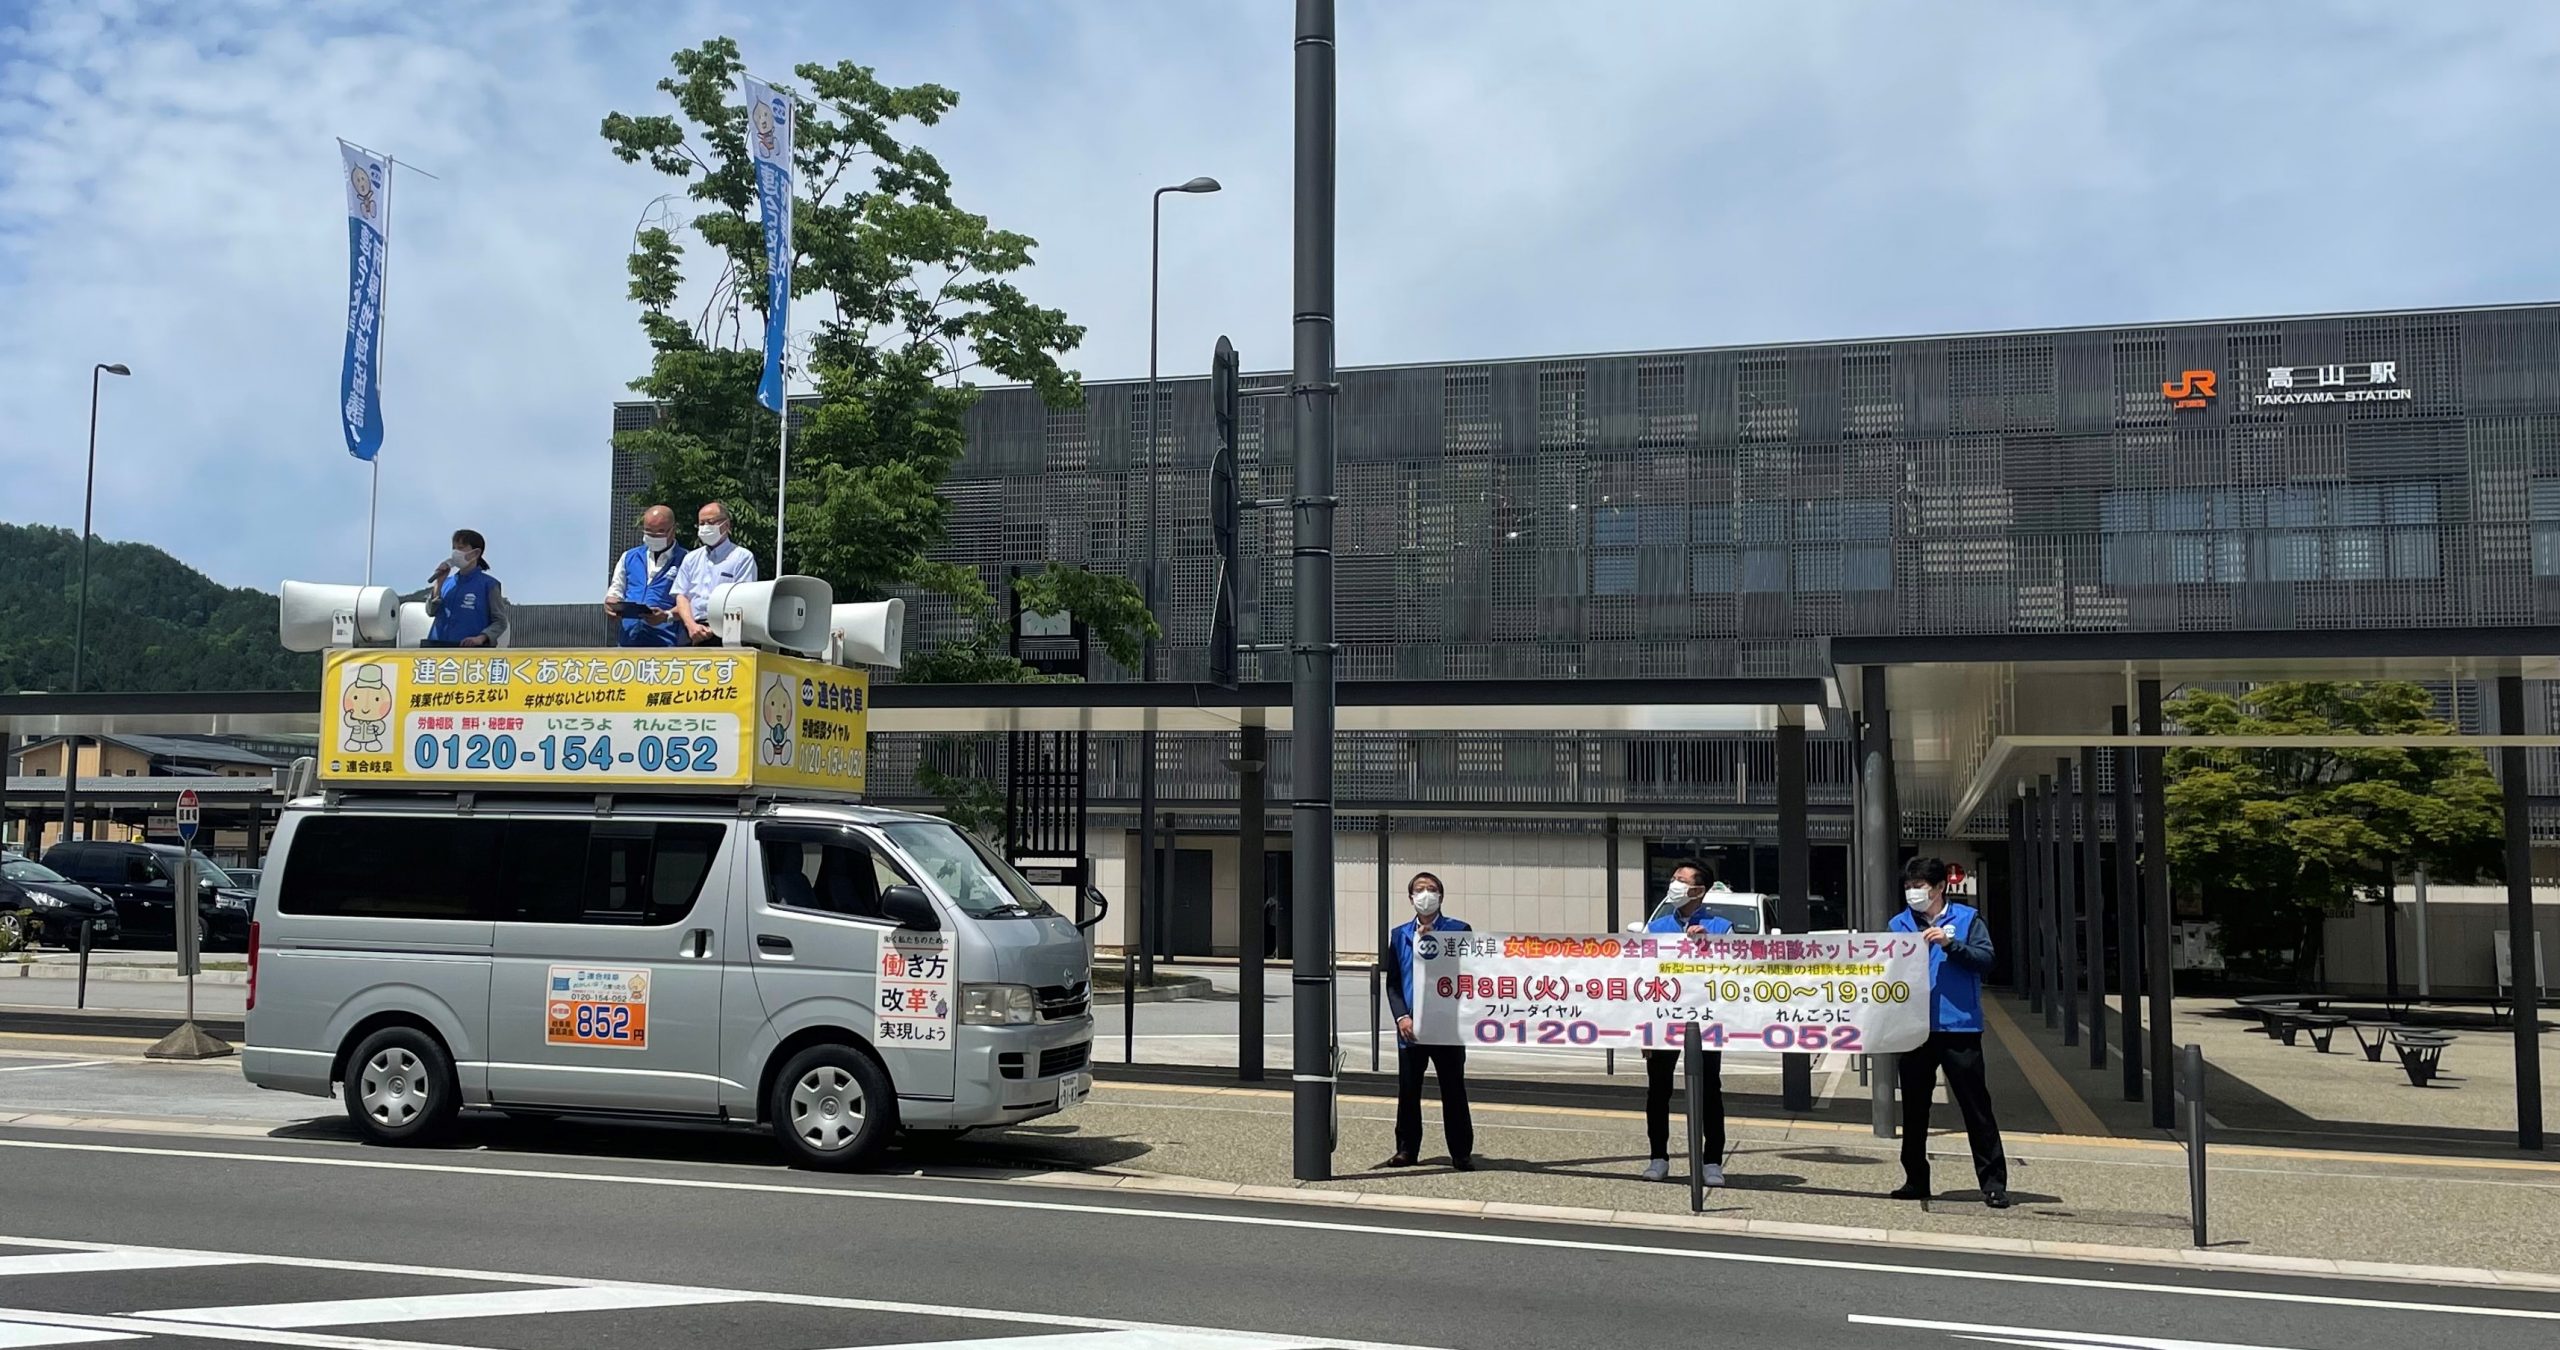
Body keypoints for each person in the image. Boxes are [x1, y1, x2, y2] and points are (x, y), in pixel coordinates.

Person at [1888, 855, 2011, 1208]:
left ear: (1941, 887)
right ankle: (1915, 1179)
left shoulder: (1967, 919)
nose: (1913, 893)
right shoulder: (1898, 924)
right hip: (1914, 1029)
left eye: (1920, 887)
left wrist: (1949, 945)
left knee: (1975, 1107)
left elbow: (1986, 960)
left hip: (1958, 1026)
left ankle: (1992, 1183)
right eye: (1909, 887)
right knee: (1914, 1107)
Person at [1642, 860, 1731, 1184]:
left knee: (1709, 1090)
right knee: (1658, 1090)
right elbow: (1644, 975)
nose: (1673, 885)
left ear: (1698, 890)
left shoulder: (1720, 926)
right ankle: (1658, 1157)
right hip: (1663, 1019)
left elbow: (1734, 970)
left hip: (1706, 1021)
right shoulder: (1658, 927)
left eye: (1681, 881)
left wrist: (1710, 945)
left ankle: (1712, 1162)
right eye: (1673, 879)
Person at [1380, 870, 1475, 1171]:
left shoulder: (1459, 930)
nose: (1426, 895)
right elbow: (1393, 982)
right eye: (1419, 890)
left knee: (1453, 1090)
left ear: (1441, 896)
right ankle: (1406, 1150)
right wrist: (1401, 1016)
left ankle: (1460, 1152)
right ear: (1410, 898)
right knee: (1409, 1090)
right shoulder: (1399, 934)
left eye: (1431, 889)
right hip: (1411, 1029)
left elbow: (1470, 971)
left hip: (1447, 1026)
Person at [672, 501, 760, 646]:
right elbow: (681, 595)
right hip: (690, 631)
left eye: (711, 522)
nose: (705, 527)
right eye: (701, 523)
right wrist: (691, 625)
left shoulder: (742, 557)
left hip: (726, 632)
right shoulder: (691, 558)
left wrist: (714, 630)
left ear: (726, 525)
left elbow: (743, 601)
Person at [604, 505, 687, 647]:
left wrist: (666, 616)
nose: (654, 537)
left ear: (673, 530)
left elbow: (692, 603)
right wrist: (611, 602)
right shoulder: (629, 556)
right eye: (649, 531)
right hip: (628, 642)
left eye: (660, 532)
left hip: (667, 644)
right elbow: (616, 588)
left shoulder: (687, 559)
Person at [413, 529, 507, 648]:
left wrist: (481, 638)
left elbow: (500, 621)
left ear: (475, 553)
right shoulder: (446, 582)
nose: (456, 552)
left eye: (461, 548)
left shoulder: (489, 584)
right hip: (436, 647)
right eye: (454, 548)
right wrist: (439, 582)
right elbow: (431, 611)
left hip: (469, 649)